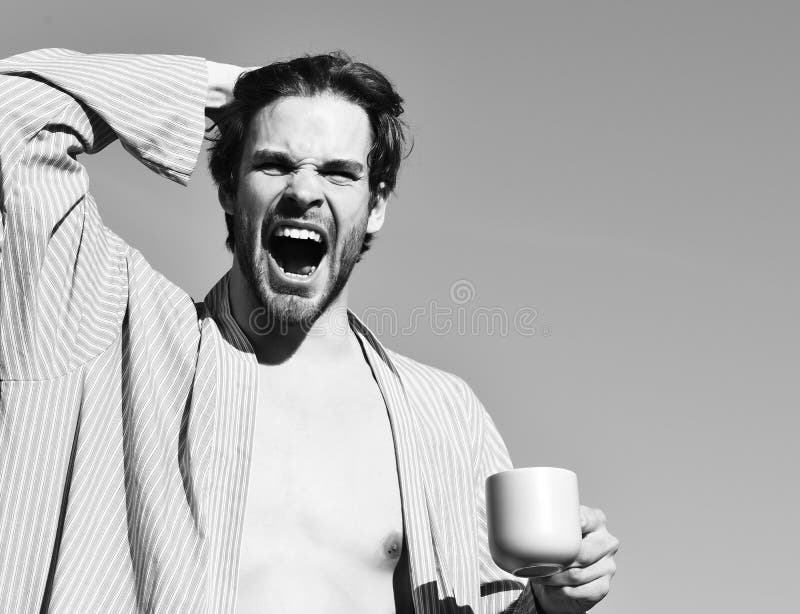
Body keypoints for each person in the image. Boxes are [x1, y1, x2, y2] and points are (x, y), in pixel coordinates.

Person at [0, 48, 618, 613]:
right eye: (273, 164)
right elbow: (13, 118)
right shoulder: (116, 334)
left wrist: (549, 606)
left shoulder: (445, 415)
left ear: (375, 206)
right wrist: (232, 90)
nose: (303, 191)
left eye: (339, 173)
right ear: (227, 188)